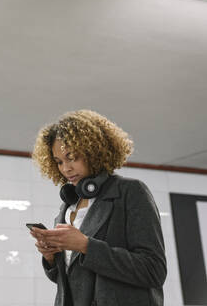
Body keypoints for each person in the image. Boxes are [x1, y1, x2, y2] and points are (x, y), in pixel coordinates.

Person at [29, 109, 166, 306]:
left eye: (72, 157)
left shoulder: (130, 192)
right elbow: (73, 281)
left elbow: (153, 270)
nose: (65, 168)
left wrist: (85, 245)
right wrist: (52, 259)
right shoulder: (68, 206)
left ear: (92, 152)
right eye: (59, 162)